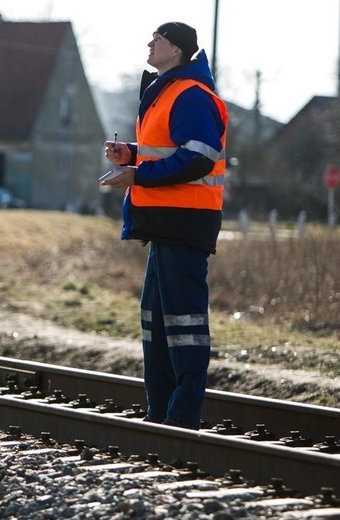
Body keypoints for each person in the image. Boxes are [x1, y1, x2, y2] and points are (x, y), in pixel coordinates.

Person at [101, 22, 228, 429]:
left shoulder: (192, 94)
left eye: (157, 38)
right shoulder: (167, 91)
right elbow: (171, 151)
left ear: (176, 49)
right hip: (164, 225)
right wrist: (131, 154)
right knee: (157, 327)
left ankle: (182, 420)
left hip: (185, 224)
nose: (150, 44)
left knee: (184, 326)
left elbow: (199, 158)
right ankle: (162, 418)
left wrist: (138, 175)